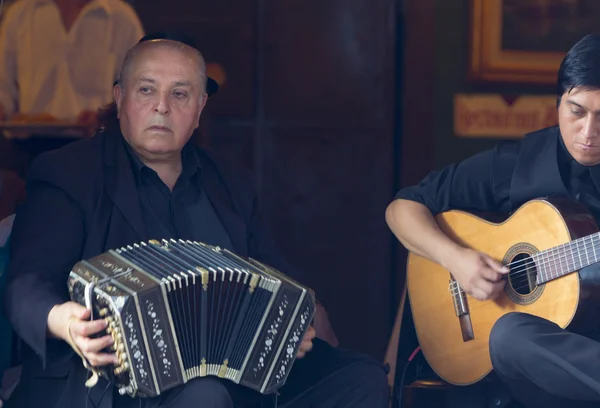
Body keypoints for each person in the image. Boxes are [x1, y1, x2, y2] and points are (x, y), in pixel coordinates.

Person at [2, 32, 389, 408]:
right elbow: (27, 282)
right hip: (112, 382)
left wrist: (293, 320)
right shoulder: (69, 173)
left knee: (360, 379)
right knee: (206, 395)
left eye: (180, 94)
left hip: (237, 377)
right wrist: (63, 320)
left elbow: (278, 279)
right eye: (146, 89)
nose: (162, 107)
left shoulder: (232, 183)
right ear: (120, 98)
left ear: (200, 107)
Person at [386, 33, 600, 408]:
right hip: (532, 368)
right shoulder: (518, 163)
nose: (588, 133)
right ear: (557, 105)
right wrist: (457, 259)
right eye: (577, 111)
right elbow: (402, 208)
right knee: (508, 335)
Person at [0, 0, 144, 123]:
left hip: (96, 144)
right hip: (28, 145)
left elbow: (137, 91)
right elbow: (4, 87)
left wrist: (104, 117)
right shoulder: (19, 14)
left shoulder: (122, 18)